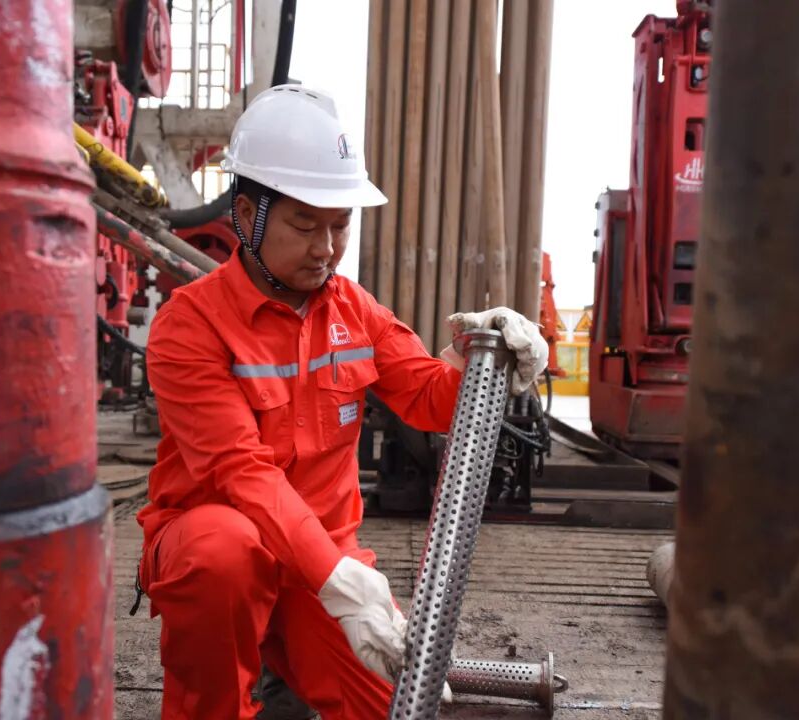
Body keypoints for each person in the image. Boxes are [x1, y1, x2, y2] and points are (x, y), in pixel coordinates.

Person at [138, 84, 548, 720]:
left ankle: (286, 665)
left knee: (399, 707)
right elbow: (238, 471)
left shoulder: (354, 311)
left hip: (322, 568)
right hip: (225, 552)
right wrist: (342, 584)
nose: (326, 248)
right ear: (246, 214)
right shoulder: (190, 325)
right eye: (305, 224)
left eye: (340, 225)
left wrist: (485, 365)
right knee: (223, 555)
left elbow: (427, 396)